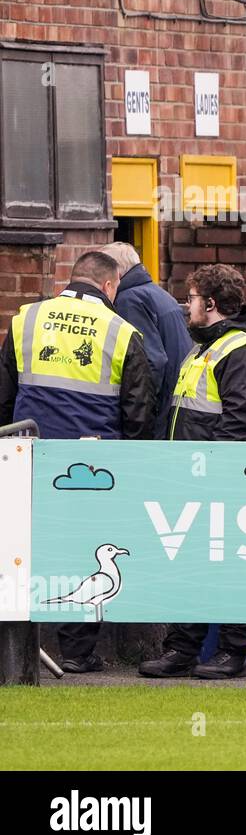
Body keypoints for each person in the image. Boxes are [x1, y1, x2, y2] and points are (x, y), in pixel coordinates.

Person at [0, 251, 157, 674]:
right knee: (84, 551)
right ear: (109, 286)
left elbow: (3, 395)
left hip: (27, 455)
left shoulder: (25, 320)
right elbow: (138, 410)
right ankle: (76, 652)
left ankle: (15, 651)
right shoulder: (123, 333)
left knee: (22, 545)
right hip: (92, 465)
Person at [139, 264, 246, 679]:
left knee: (230, 564)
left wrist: (211, 472)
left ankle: (234, 652)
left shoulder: (241, 351)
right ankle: (183, 647)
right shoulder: (206, 347)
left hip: (226, 477)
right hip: (194, 475)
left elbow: (239, 422)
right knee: (190, 561)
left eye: (192, 299)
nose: (186, 307)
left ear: (210, 303)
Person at [100, 242, 191, 440]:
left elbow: (150, 363)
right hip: (175, 407)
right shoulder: (157, 293)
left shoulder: (128, 300)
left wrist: (139, 422)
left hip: (158, 418)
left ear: (116, 272)